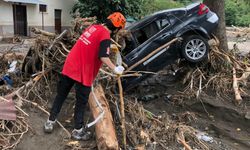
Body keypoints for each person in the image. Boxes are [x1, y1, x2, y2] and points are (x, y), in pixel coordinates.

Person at [44, 12, 126, 140]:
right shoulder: (105, 36)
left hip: (70, 65)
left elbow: (92, 44)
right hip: (83, 71)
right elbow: (103, 57)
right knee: (81, 102)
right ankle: (78, 130)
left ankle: (50, 121)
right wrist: (115, 68)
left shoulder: (94, 27)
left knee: (61, 95)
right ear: (116, 29)